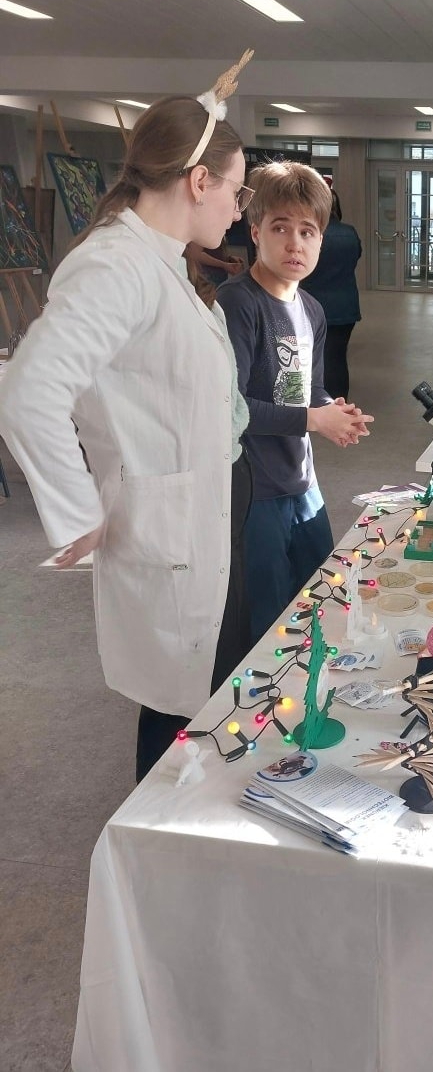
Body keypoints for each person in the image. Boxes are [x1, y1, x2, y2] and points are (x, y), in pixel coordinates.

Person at [0, 73, 257, 782]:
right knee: (177, 712)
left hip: (205, 513)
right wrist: (77, 513)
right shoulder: (117, 264)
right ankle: (162, 832)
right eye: (238, 193)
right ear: (199, 181)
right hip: (169, 530)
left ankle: (195, 818)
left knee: (204, 697)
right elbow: (27, 391)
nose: (239, 212)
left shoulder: (160, 260)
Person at [217, 162, 374, 644]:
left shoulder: (312, 310)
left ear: (321, 240)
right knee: (266, 617)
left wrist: (333, 412)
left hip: (302, 480)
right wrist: (313, 418)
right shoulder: (237, 303)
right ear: (255, 231)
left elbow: (309, 390)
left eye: (308, 231)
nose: (295, 244)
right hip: (255, 489)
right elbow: (230, 408)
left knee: (320, 594)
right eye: (280, 228)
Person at [300, 188, 362, 400]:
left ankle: (319, 400)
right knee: (337, 357)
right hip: (346, 306)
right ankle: (339, 400)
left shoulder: (311, 234)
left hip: (315, 304)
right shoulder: (349, 232)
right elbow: (356, 257)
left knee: (316, 358)